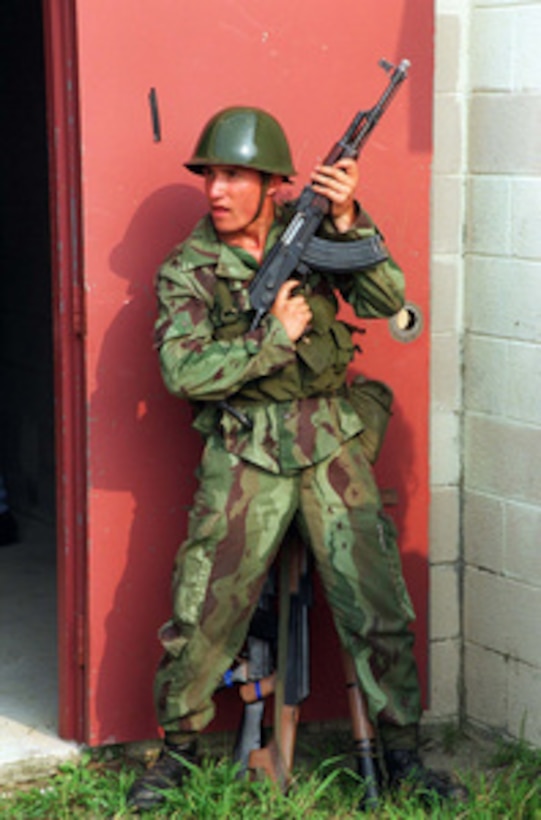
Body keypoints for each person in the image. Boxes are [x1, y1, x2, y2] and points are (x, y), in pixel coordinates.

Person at [127, 106, 455, 809]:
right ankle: (178, 754)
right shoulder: (188, 268)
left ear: (273, 182)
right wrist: (270, 340)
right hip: (245, 446)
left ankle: (402, 756)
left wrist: (346, 224)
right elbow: (182, 373)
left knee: (376, 604)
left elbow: (390, 302)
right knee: (203, 608)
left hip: (330, 440)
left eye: (234, 175)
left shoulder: (308, 238)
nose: (215, 189)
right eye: (209, 174)